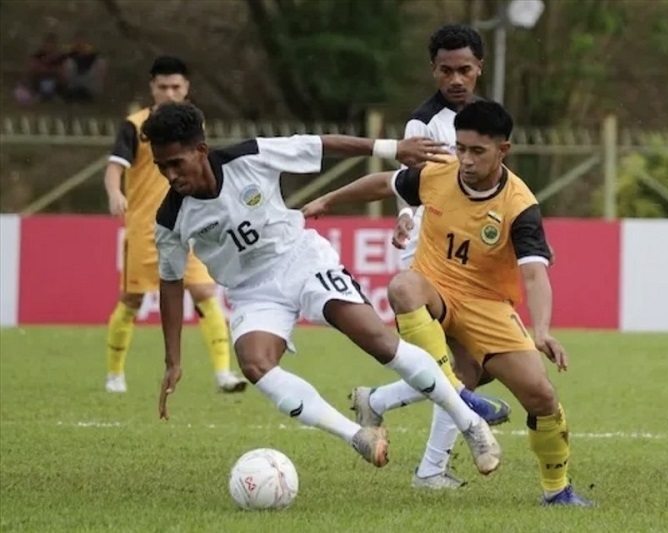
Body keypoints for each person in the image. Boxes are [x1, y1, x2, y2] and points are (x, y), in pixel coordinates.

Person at [147, 101, 502, 473]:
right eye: (161, 167)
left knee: (378, 341)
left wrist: (391, 148)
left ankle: (470, 423)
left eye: (176, 163)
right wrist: (173, 360)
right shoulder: (170, 218)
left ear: (200, 150)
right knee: (255, 364)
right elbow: (171, 282)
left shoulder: (250, 157)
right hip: (252, 293)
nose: (170, 175)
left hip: (302, 261)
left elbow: (319, 144)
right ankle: (359, 437)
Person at [302, 100, 592, 506]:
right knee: (403, 286)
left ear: (503, 151)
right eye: (461, 148)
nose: (466, 160)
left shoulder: (520, 205)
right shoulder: (438, 174)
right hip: (433, 292)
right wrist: (327, 201)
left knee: (542, 397)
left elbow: (533, 273)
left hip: (488, 306)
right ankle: (457, 395)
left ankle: (557, 491)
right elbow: (384, 183)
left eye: (478, 151)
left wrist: (541, 328)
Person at [351, 24, 511, 489]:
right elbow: (409, 181)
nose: (456, 79)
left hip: (467, 257)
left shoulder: (489, 119)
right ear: (433, 71)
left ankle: (379, 403)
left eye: (465, 69)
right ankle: (430, 469)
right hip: (427, 256)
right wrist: (404, 216)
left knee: (466, 368)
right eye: (446, 70)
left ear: (480, 68)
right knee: (462, 368)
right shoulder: (424, 122)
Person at [103, 56, 246, 394]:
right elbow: (114, 167)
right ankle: (114, 374)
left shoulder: (194, 126)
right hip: (145, 228)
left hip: (191, 224)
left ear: (187, 88)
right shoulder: (135, 125)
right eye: (163, 86)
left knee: (204, 292)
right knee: (132, 299)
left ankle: (224, 373)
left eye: (176, 87)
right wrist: (113, 192)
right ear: (152, 88)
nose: (169, 92)